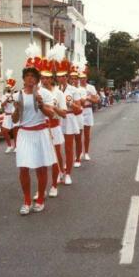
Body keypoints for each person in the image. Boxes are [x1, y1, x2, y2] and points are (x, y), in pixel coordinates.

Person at [12, 44, 56, 215]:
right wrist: (16, 109)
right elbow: (15, 120)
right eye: (27, 76)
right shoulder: (18, 95)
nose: (30, 79)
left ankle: (39, 199)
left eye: (33, 77)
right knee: (23, 167)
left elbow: (51, 114)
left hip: (41, 132)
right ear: (24, 78)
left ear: (38, 79)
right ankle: (27, 200)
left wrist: (41, 104)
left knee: (41, 167)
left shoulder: (44, 94)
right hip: (24, 133)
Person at [38, 55, 66, 198]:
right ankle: (41, 188)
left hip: (54, 127)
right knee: (40, 159)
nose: (44, 80)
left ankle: (54, 184)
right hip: (40, 128)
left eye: (47, 78)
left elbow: (64, 113)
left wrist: (53, 108)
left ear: (51, 79)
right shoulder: (37, 91)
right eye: (42, 78)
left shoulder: (58, 93)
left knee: (55, 157)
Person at [54, 43, 82, 185]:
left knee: (69, 148)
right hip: (57, 119)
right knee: (57, 147)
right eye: (59, 76)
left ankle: (68, 173)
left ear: (67, 76)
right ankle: (59, 171)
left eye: (64, 76)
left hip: (70, 118)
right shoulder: (53, 90)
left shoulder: (73, 90)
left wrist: (70, 103)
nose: (62, 78)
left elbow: (79, 109)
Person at [79, 65, 99, 161]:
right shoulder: (76, 88)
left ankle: (86, 152)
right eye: (81, 78)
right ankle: (78, 153)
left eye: (84, 78)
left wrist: (88, 98)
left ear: (86, 78)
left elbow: (96, 100)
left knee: (87, 134)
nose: (82, 79)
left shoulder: (91, 87)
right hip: (78, 111)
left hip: (87, 110)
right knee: (78, 134)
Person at [69, 66, 84, 168]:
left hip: (78, 115)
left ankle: (78, 157)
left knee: (78, 138)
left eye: (75, 78)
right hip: (68, 116)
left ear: (78, 80)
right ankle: (69, 159)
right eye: (72, 78)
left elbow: (81, 102)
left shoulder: (81, 90)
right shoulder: (65, 89)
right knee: (68, 140)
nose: (73, 80)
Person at [1, 70, 17, 153]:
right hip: (7, 115)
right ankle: (9, 145)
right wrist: (7, 98)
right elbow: (2, 105)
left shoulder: (16, 95)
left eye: (9, 87)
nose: (8, 88)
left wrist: (12, 96)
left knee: (15, 131)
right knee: (4, 131)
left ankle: (16, 146)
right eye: (7, 87)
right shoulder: (4, 96)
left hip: (14, 115)